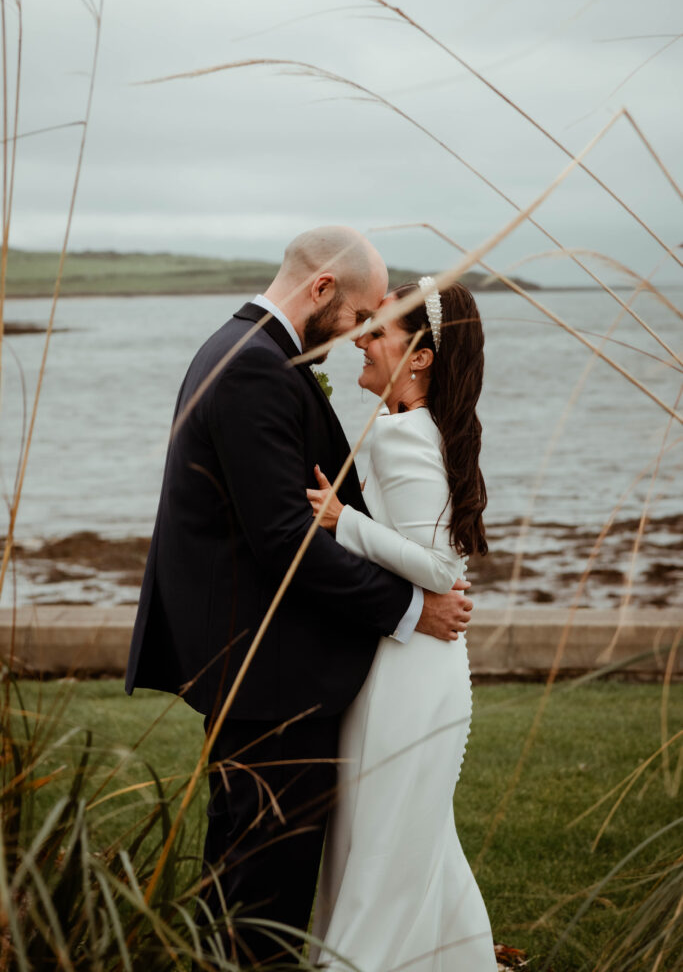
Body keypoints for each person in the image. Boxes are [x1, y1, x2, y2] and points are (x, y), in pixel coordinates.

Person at [124, 228, 474, 965]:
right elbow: (284, 536)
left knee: (251, 880)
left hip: (261, 670)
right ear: (321, 291)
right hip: (270, 674)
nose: (355, 337)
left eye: (371, 329)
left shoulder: (239, 351)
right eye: (354, 318)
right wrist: (411, 609)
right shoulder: (254, 366)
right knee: (263, 891)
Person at [307, 278, 498, 971]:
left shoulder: (399, 432)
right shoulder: (412, 426)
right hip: (412, 665)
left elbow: (439, 569)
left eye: (379, 330)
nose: (361, 338)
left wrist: (341, 521)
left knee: (385, 847)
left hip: (409, 676)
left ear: (419, 357)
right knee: (411, 846)